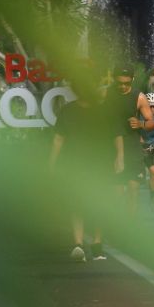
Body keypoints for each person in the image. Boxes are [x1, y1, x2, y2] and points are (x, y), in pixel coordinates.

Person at [50, 69, 124, 262]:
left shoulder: (104, 110)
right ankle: (78, 244)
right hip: (75, 164)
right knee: (77, 203)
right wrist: (52, 163)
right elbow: (58, 138)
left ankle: (97, 244)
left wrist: (120, 158)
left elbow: (117, 135)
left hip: (101, 163)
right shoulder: (68, 110)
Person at [110, 67, 154, 211]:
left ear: (132, 80)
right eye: (119, 83)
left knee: (134, 192)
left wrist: (141, 123)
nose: (123, 86)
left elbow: (152, 122)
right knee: (116, 193)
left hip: (133, 149)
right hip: (111, 149)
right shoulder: (106, 94)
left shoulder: (139, 97)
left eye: (126, 83)